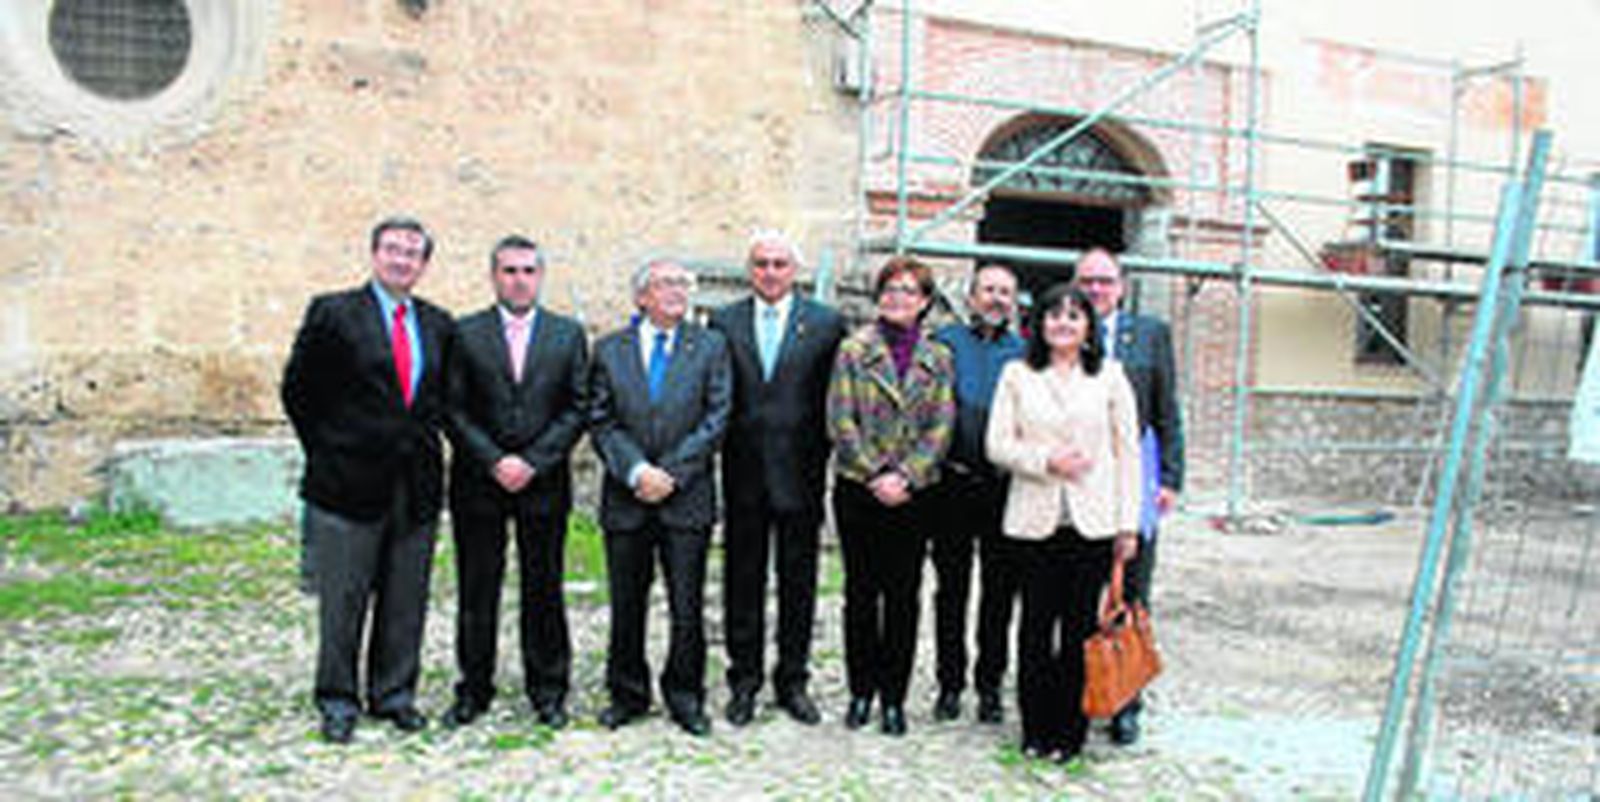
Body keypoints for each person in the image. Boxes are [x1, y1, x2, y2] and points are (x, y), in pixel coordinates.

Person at [281, 216, 454, 744]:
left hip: (415, 486)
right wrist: (332, 450)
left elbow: (440, 400)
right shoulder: (334, 313)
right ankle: (337, 699)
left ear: (424, 264)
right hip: (346, 486)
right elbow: (298, 393)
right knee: (344, 600)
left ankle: (393, 694)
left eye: (413, 253)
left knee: (406, 599)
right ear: (375, 255)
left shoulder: (437, 323)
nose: (402, 260)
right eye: (393, 250)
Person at [985, 282, 1141, 764]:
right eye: (1055, 314)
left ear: (1089, 327)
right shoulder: (1017, 374)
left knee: (1078, 632)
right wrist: (1046, 458)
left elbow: (1127, 453)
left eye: (1075, 315)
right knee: (1034, 628)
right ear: (1040, 324)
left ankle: (1069, 731)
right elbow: (997, 444)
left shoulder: (1111, 377)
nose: (1064, 323)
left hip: (1092, 523)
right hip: (1035, 520)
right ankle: (1035, 728)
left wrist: (1127, 525)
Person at [441, 235, 588, 730]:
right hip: (479, 484)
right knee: (478, 588)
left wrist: (534, 460)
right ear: (493, 276)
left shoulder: (567, 335)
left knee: (543, 588)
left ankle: (548, 689)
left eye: (527, 270)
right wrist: (492, 459)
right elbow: (453, 408)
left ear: (540, 276)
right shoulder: (465, 333)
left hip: (543, 484)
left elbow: (577, 406)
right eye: (509, 271)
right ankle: (473, 688)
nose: (518, 279)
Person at [589, 257, 732, 737]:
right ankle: (627, 693)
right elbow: (602, 421)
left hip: (685, 497)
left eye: (682, 283)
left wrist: (670, 472)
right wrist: (636, 471)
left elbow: (717, 417)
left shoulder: (710, 347)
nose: (676, 290)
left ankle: (685, 695)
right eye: (664, 283)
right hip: (627, 498)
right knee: (627, 603)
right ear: (641, 297)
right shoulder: (610, 350)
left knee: (687, 605)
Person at [710, 232, 846, 727]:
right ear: (750, 270)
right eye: (762, 264)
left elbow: (835, 400)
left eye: (780, 264)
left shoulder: (827, 323)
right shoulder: (724, 322)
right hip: (743, 474)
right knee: (742, 583)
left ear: (796, 271)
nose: (770, 272)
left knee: (798, 584)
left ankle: (793, 680)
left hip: (801, 475)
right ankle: (743, 681)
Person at [826, 255, 955, 737]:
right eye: (889, 289)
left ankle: (894, 698)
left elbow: (942, 426)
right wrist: (877, 473)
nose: (896, 297)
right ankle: (861, 691)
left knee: (903, 596)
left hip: (916, 495)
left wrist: (907, 475)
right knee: (861, 593)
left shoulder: (938, 357)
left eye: (908, 290)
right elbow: (840, 420)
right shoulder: (853, 350)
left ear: (924, 302)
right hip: (860, 489)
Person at [1072, 248, 1184, 745]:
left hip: (1135, 481)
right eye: (1088, 281)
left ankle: (1126, 701)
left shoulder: (1151, 335)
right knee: (1076, 592)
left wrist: (1170, 480)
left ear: (1121, 286)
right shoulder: (1062, 330)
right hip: (1078, 483)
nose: (1096, 290)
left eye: (1105, 281)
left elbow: (1167, 411)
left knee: (1132, 593)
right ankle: (1078, 690)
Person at [927, 262, 1026, 724]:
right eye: (988, 290)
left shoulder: (1027, 353)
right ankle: (949, 684)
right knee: (951, 590)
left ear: (1015, 300)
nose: (996, 298)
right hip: (952, 485)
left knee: (999, 595)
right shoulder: (945, 344)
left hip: (1006, 489)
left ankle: (989, 685)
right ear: (971, 297)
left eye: (1005, 292)